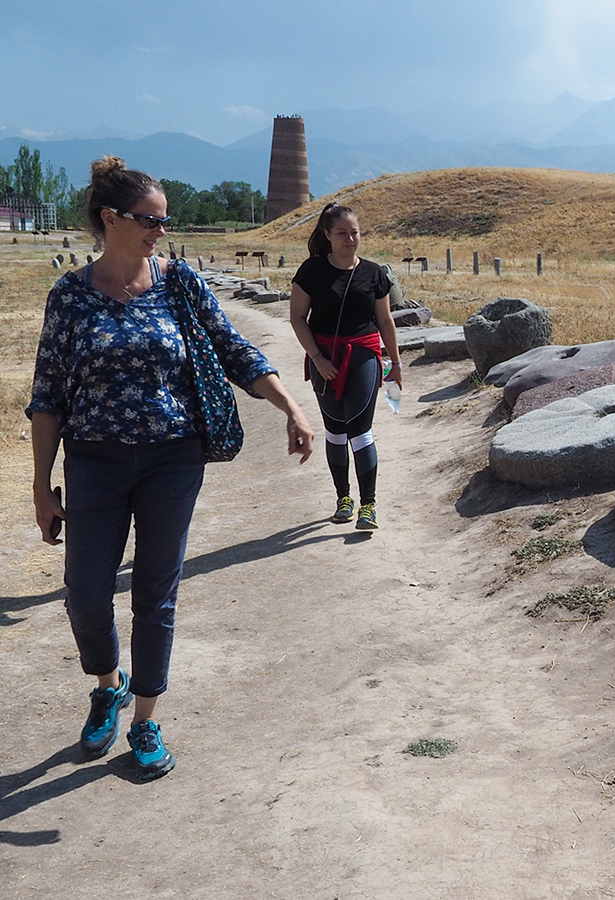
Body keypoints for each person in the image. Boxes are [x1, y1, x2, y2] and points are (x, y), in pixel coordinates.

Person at [27, 157, 315, 780]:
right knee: (85, 592)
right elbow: (47, 395)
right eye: (150, 220)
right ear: (110, 219)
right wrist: (41, 485)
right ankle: (108, 685)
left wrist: (291, 407)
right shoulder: (70, 296)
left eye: (164, 221)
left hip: (172, 459)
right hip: (94, 460)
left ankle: (145, 718)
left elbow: (234, 349)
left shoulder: (179, 282)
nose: (162, 231)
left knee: (155, 594)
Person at [288, 203, 401, 530]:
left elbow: (385, 320)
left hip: (363, 355)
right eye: (342, 233)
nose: (350, 239)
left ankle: (369, 505)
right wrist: (318, 359)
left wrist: (395, 363)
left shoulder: (374, 273)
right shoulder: (311, 271)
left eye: (355, 233)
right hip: (324, 358)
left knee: (360, 430)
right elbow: (297, 318)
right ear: (327, 235)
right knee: (336, 431)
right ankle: (343, 499)